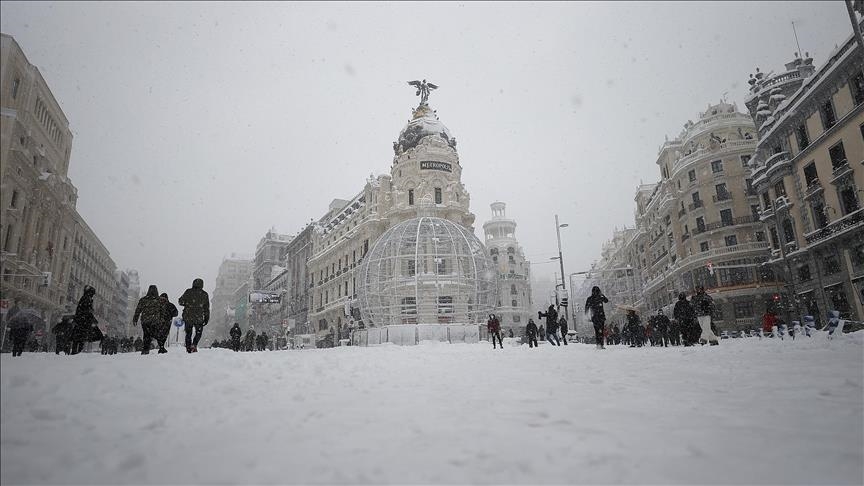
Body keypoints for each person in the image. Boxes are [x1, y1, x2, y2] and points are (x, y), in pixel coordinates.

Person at [178, 278, 210, 353]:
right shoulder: (204, 294)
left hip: (188, 316)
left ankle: (188, 347)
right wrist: (206, 318)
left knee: (188, 333)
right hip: (198, 317)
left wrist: (187, 304)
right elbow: (206, 308)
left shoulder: (188, 291)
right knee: (198, 332)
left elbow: (180, 301)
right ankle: (194, 344)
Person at [133, 285, 163, 355]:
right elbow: (163, 311)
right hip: (155, 320)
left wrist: (135, 319)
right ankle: (159, 346)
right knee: (153, 334)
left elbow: (138, 310)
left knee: (146, 334)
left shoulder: (143, 299)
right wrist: (162, 320)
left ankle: (145, 349)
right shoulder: (159, 300)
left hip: (145, 320)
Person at [71, 286, 98, 355]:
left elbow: (81, 310)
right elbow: (87, 311)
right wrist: (92, 318)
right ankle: (77, 352)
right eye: (93, 293)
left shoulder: (84, 298)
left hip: (80, 320)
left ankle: (75, 351)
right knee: (81, 337)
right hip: (83, 321)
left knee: (78, 337)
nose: (93, 295)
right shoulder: (87, 299)